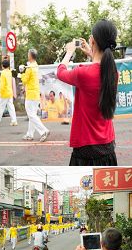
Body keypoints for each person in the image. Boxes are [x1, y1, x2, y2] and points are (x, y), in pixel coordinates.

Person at [57, 20, 118, 165]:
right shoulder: (113, 72)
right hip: (108, 146)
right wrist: (92, 53)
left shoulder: (83, 73)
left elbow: (60, 72)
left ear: (92, 41)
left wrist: (69, 52)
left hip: (86, 149)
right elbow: (100, 66)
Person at [19, 48, 50, 142]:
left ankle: (44, 131)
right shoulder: (35, 66)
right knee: (32, 114)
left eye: (28, 54)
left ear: (30, 56)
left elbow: (24, 80)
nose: (27, 55)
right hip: (35, 93)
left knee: (31, 114)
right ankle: (30, 134)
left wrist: (20, 73)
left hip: (31, 94)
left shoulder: (30, 68)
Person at [0, 59, 17, 127]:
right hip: (10, 92)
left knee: (1, 108)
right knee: (11, 107)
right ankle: (14, 121)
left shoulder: (3, 73)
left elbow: (2, 85)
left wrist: (0, 93)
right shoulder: (9, 72)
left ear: (2, 66)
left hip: (4, 93)